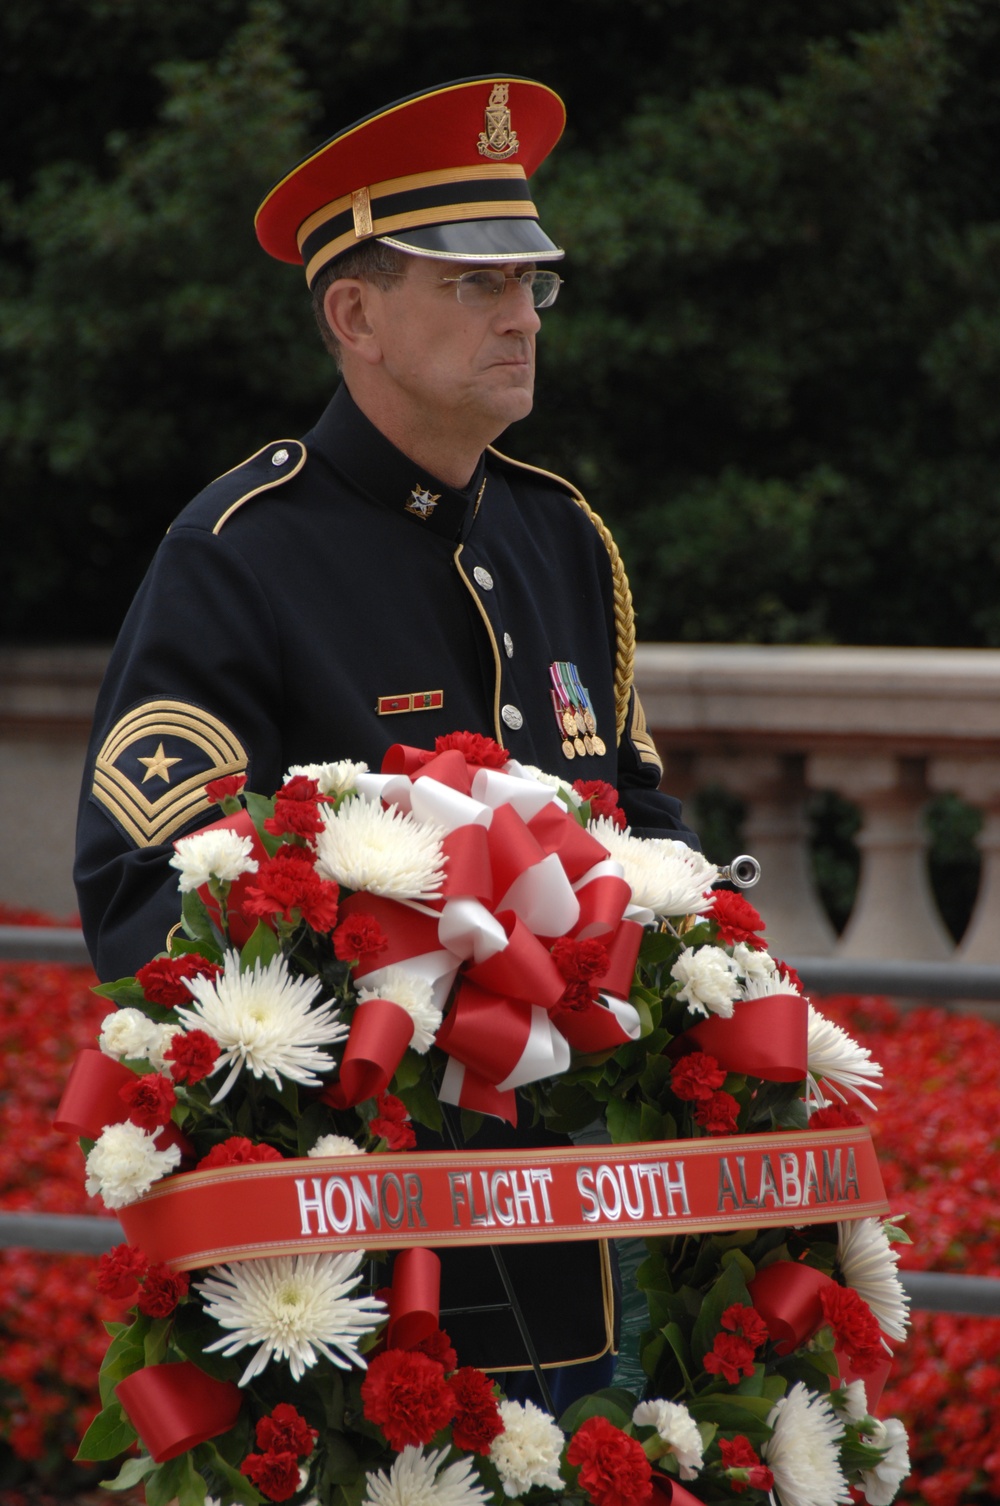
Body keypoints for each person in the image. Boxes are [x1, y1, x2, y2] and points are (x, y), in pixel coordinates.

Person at [74, 74, 697, 1408]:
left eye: (533, 278)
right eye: (472, 283)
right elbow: (142, 901)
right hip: (347, 1271)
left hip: (582, 1218)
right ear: (352, 314)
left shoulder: (560, 536)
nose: (523, 312)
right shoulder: (236, 557)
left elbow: (644, 819)